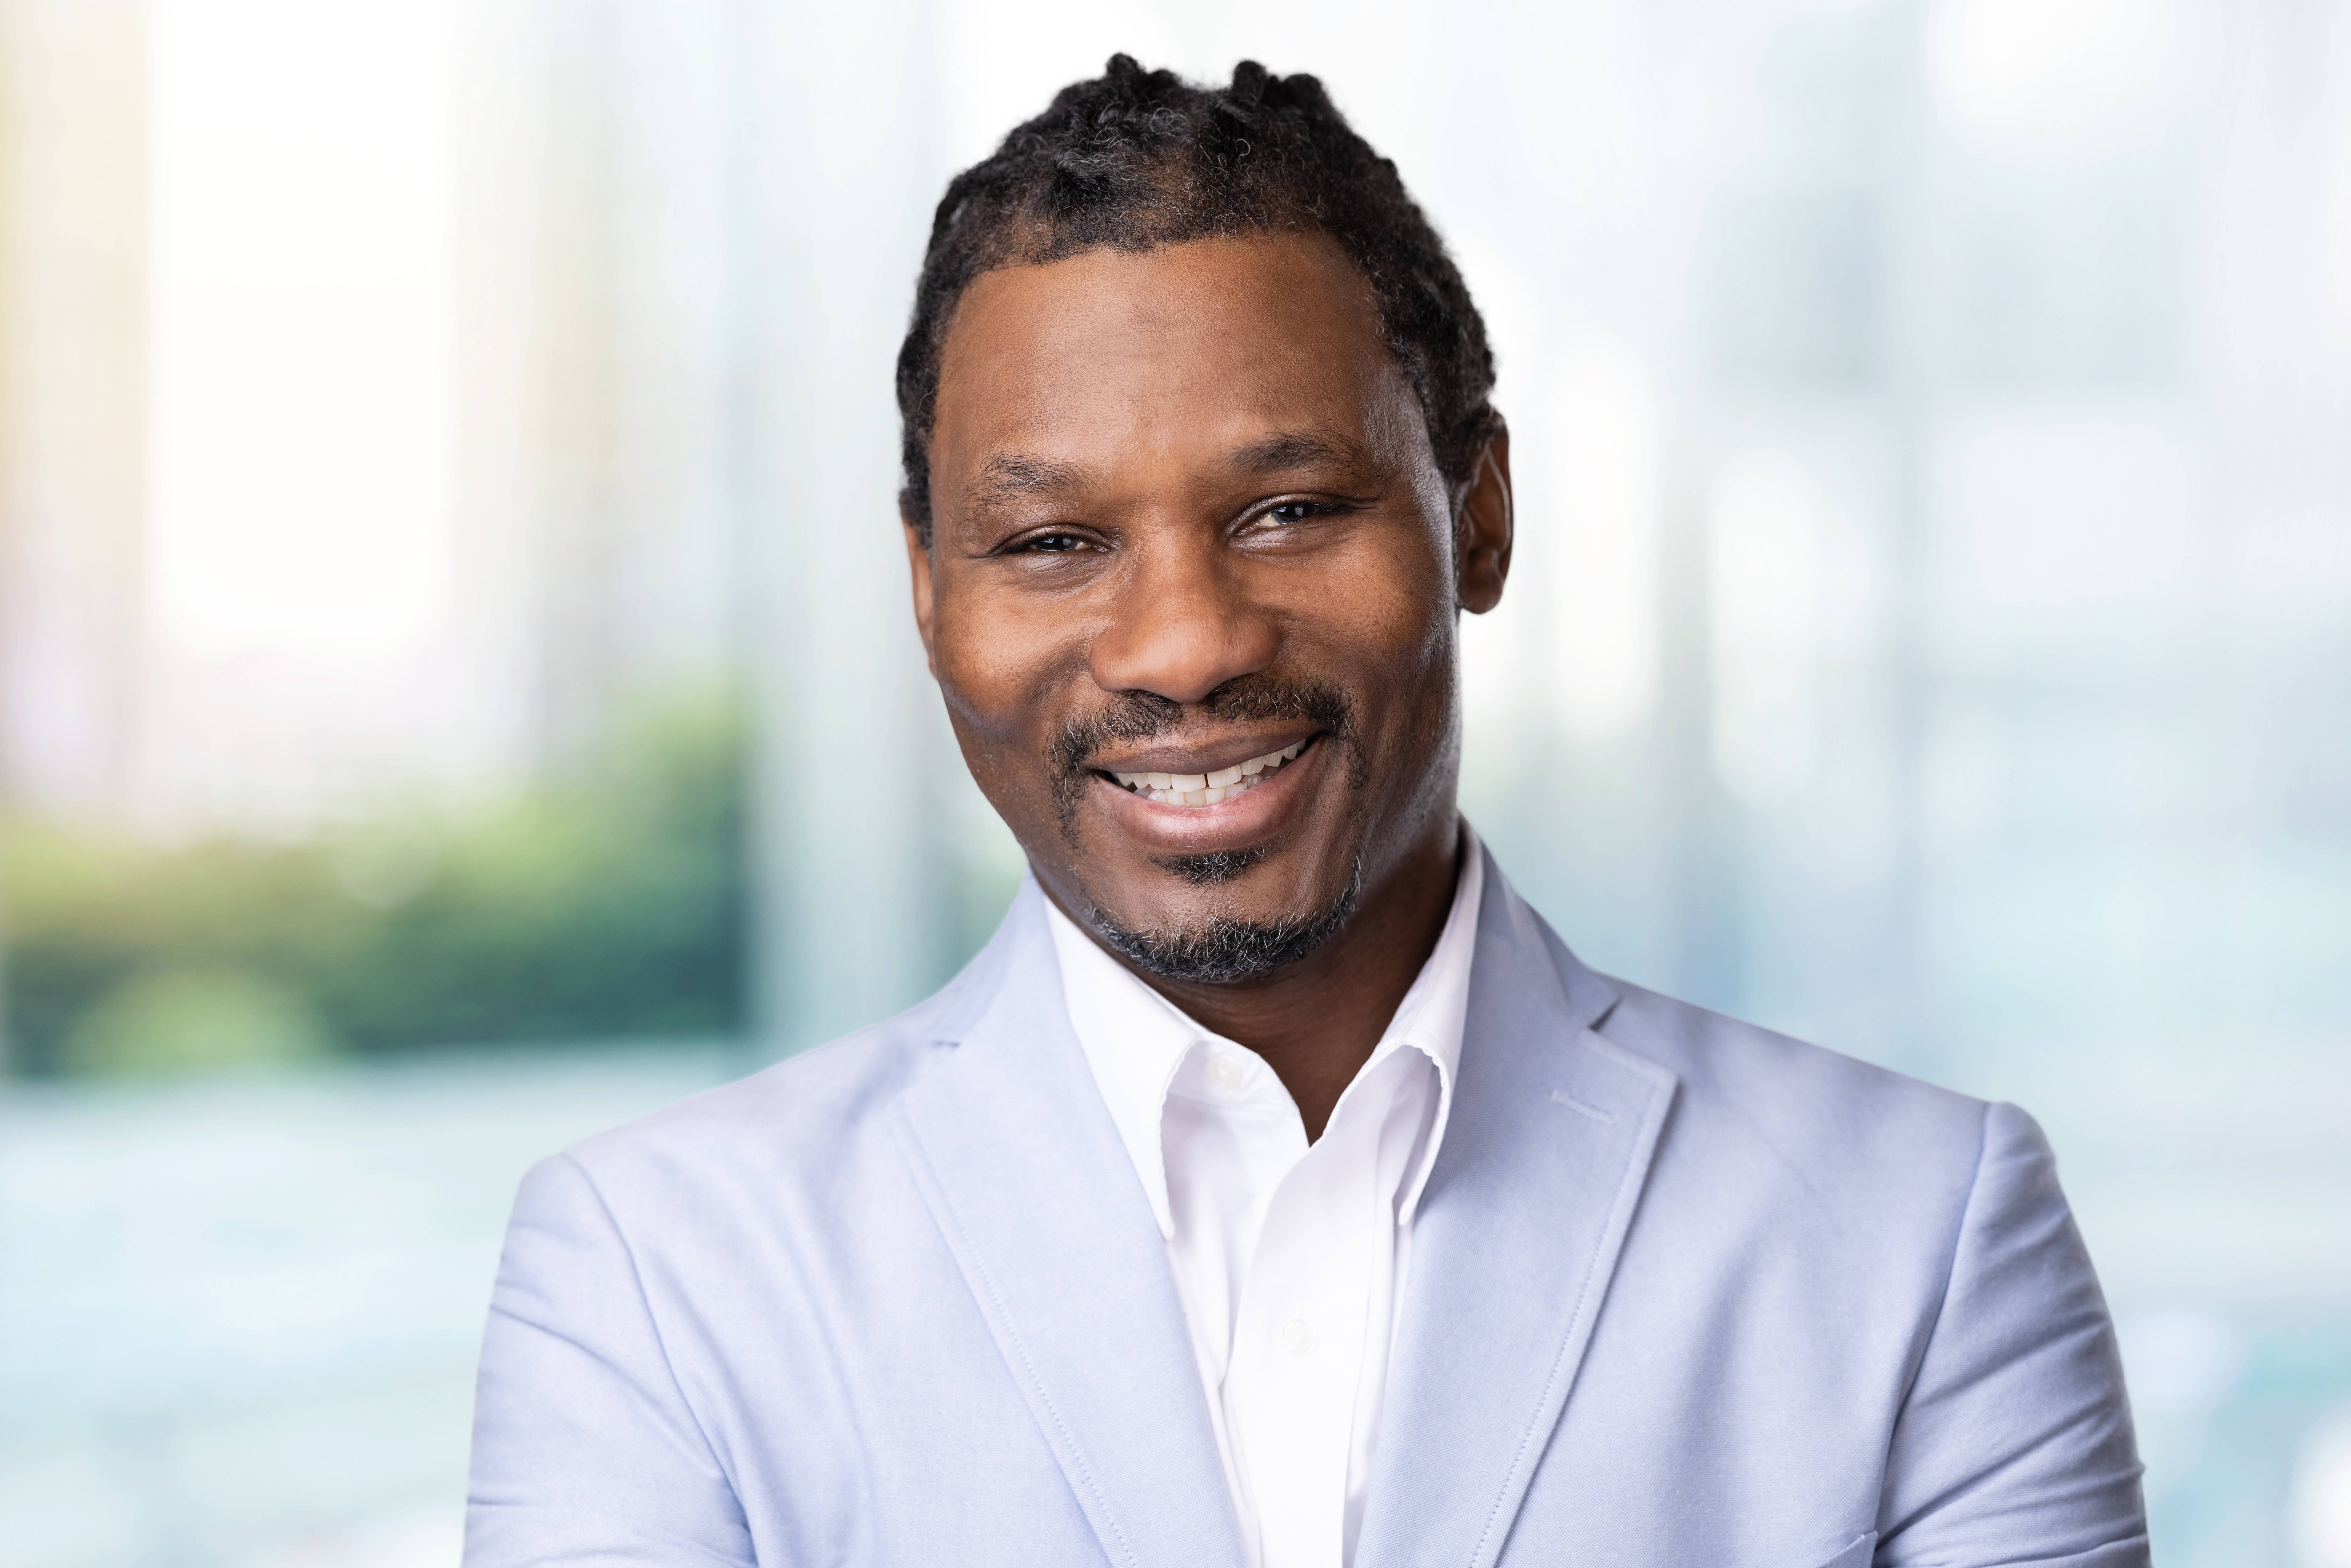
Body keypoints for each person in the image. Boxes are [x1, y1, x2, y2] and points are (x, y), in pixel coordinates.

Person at [463, 56, 2148, 1568]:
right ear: (928, 593)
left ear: (1477, 516)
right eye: (1054, 543)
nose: (1185, 644)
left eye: (1284, 509)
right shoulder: (660, 1277)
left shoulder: (1919, 1237)